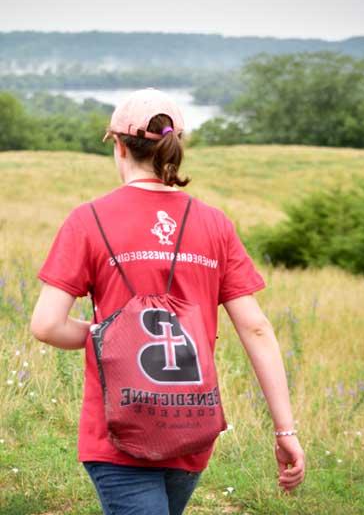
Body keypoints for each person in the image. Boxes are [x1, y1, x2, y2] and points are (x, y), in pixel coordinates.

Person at [30, 88, 305, 515]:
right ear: (175, 146)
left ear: (119, 147)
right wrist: (284, 430)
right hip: (191, 427)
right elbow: (255, 328)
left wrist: (111, 337)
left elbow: (47, 325)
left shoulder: (88, 220)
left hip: (117, 434)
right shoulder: (215, 223)